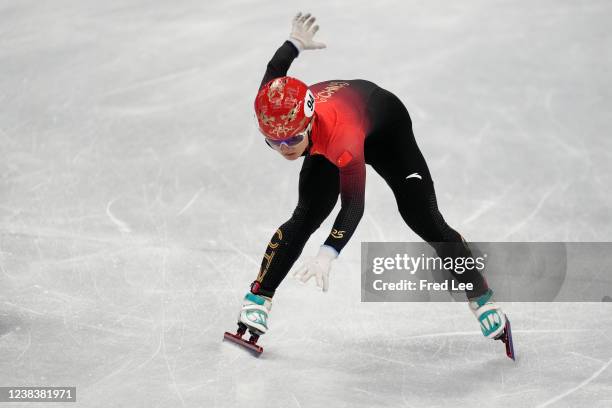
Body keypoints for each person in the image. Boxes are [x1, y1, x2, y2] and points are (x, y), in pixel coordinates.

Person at [233, 12, 510, 352]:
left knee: (424, 219)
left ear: (307, 126)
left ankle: (481, 296)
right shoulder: (271, 102)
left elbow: (354, 205)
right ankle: (258, 299)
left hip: (385, 129)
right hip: (331, 130)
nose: (283, 150)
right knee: (306, 215)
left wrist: (328, 252)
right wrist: (294, 43)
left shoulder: (341, 139)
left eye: (290, 141)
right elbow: (275, 70)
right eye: (272, 142)